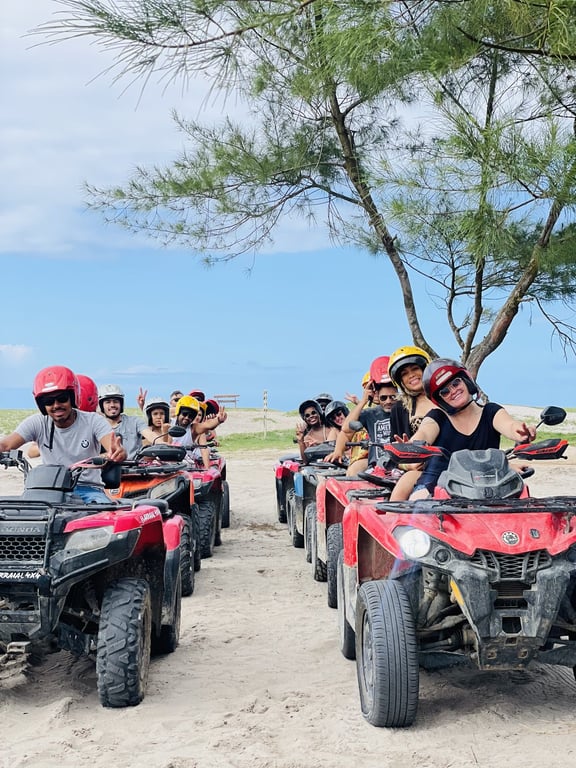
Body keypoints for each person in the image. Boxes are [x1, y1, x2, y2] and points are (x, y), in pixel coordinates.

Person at [399, 359, 536, 500]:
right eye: (445, 391)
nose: (453, 391)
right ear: (439, 400)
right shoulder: (437, 417)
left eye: (456, 383)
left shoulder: (490, 412)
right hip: (436, 486)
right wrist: (412, 447)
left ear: (466, 380)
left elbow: (509, 425)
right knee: (418, 504)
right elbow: (425, 432)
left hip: (488, 488)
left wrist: (521, 432)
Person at [0, 366, 126, 503]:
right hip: (48, 489)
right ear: (42, 405)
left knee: (103, 511)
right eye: (49, 401)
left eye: (62, 398)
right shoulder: (38, 422)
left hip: (88, 489)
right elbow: (6, 445)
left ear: (72, 398)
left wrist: (117, 453)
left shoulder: (93, 421)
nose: (56, 405)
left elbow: (113, 447)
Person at [325, 358, 399, 475]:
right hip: (376, 467)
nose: (388, 401)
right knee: (353, 472)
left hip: (401, 465)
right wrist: (338, 451)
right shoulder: (370, 414)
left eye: (393, 397)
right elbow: (346, 430)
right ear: (376, 395)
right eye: (384, 398)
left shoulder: (406, 410)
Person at [98, 384, 147, 460]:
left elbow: (150, 434)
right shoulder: (97, 427)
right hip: (107, 466)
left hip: (134, 466)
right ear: (102, 406)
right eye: (108, 402)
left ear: (121, 404)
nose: (112, 405)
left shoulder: (134, 422)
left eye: (115, 401)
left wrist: (161, 443)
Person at [170, 395, 210, 468]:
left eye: (191, 416)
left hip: (187, 464)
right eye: (184, 414)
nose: (187, 417)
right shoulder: (169, 425)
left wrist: (207, 469)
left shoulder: (198, 430)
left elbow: (204, 450)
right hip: (168, 462)